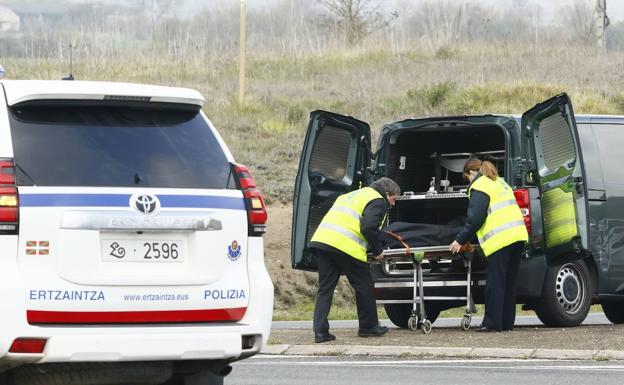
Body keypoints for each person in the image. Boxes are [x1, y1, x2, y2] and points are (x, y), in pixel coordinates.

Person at [310, 177, 401, 343]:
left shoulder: (351, 195)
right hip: (345, 246)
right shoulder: (378, 200)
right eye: (394, 199)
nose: (393, 204)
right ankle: (368, 327)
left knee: (325, 289)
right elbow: (368, 227)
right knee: (364, 285)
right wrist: (378, 250)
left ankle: (320, 332)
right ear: (387, 193)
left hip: (323, 241)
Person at [449, 158, 528, 332]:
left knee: (495, 282)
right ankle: (506, 323)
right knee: (508, 282)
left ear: (471, 173)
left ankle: (492, 323)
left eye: (467, 178)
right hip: (518, 235)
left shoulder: (480, 185)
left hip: (501, 239)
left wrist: (460, 240)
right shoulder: (500, 182)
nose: (468, 182)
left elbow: (475, 218)